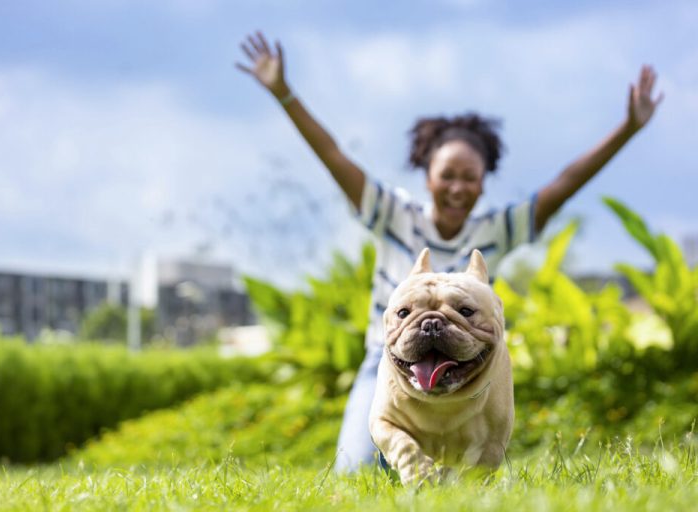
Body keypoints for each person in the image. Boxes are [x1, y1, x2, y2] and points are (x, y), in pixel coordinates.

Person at [236, 31, 663, 472]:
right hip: (386, 361)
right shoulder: (394, 215)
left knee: (463, 476)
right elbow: (333, 156)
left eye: (469, 177)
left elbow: (565, 183)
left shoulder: (495, 229)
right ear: (428, 175)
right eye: (447, 175)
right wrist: (284, 93)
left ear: (483, 181)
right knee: (358, 471)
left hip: (472, 368)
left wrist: (627, 128)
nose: (457, 187)